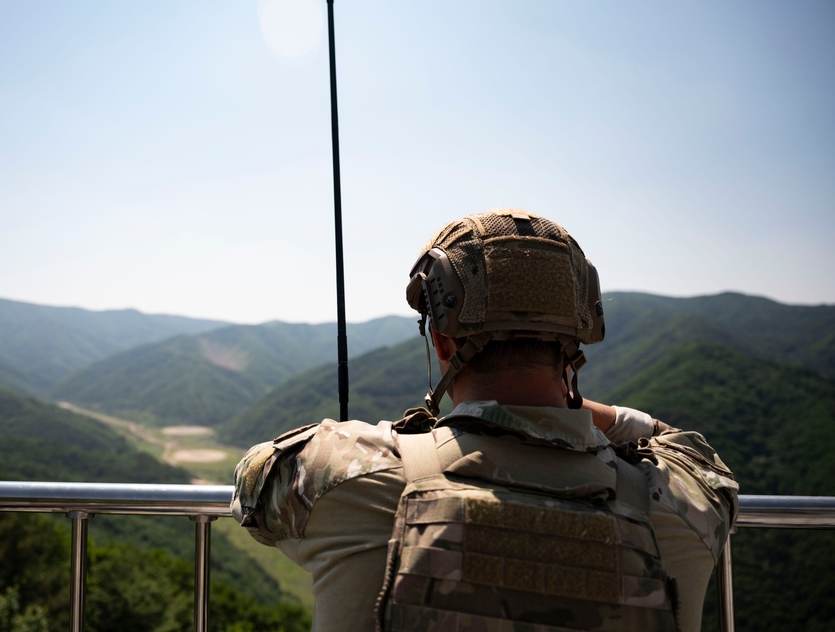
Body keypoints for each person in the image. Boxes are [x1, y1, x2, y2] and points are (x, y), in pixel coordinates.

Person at [232, 208, 738, 632]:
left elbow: (252, 484)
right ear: (576, 343)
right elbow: (685, 448)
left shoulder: (347, 476)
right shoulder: (681, 508)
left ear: (443, 343)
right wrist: (574, 408)